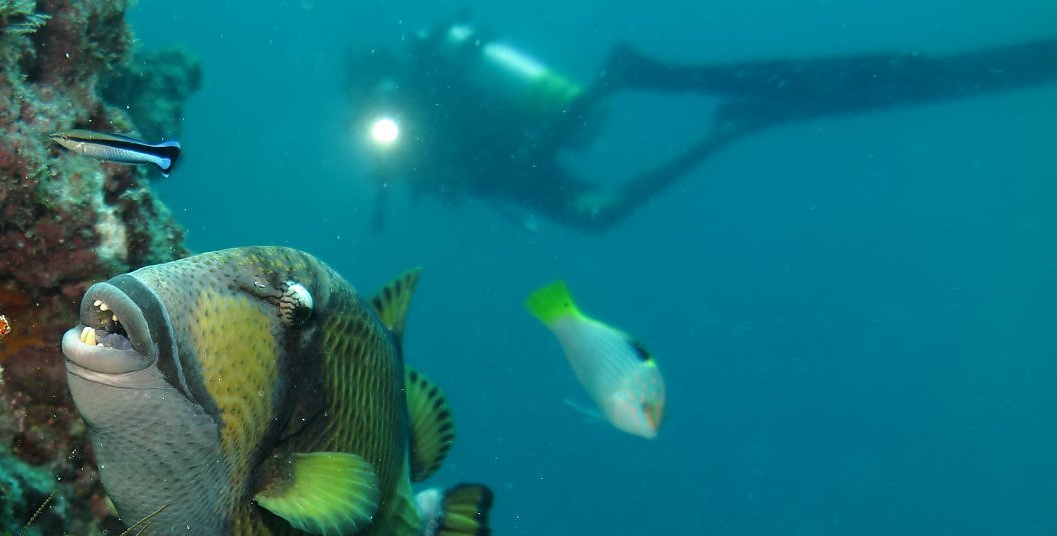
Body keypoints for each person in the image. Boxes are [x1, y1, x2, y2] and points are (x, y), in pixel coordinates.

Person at [344, 19, 1057, 232]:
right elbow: (453, 174)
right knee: (600, 214)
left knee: (594, 203)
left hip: (528, 145)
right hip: (518, 170)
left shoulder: (435, 86)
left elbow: (490, 141)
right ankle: (717, 125)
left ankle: (633, 75)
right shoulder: (393, 128)